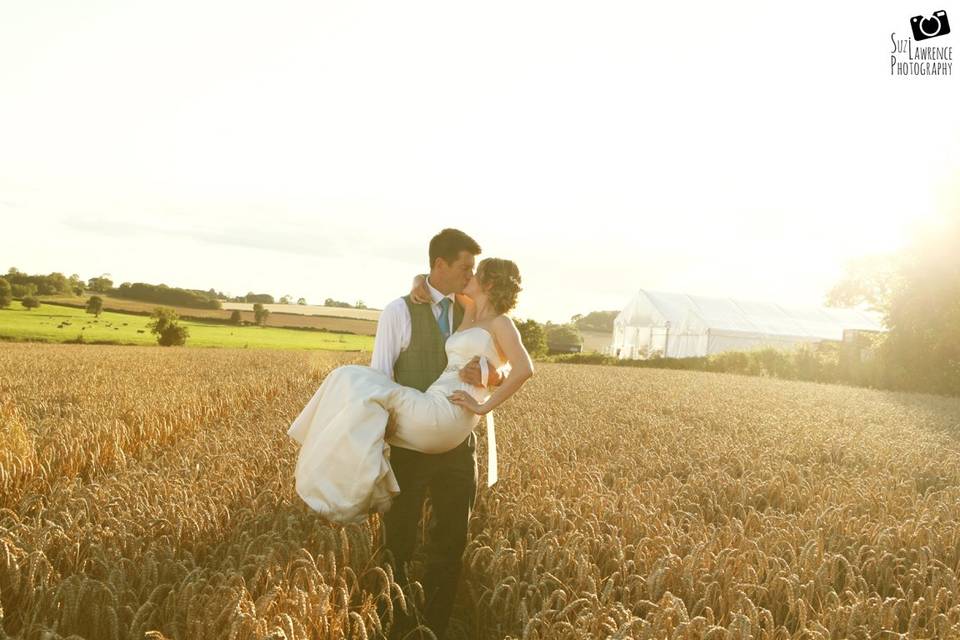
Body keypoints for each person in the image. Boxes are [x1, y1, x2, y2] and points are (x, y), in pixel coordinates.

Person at [286, 228, 535, 638]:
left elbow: (506, 359)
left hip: (457, 442)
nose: (468, 275)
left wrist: (492, 375)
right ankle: (394, 621)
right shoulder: (400, 311)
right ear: (438, 266)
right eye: (463, 267)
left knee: (450, 539)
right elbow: (381, 375)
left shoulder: (469, 306)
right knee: (399, 539)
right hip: (411, 436)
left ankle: (433, 624)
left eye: (473, 270)